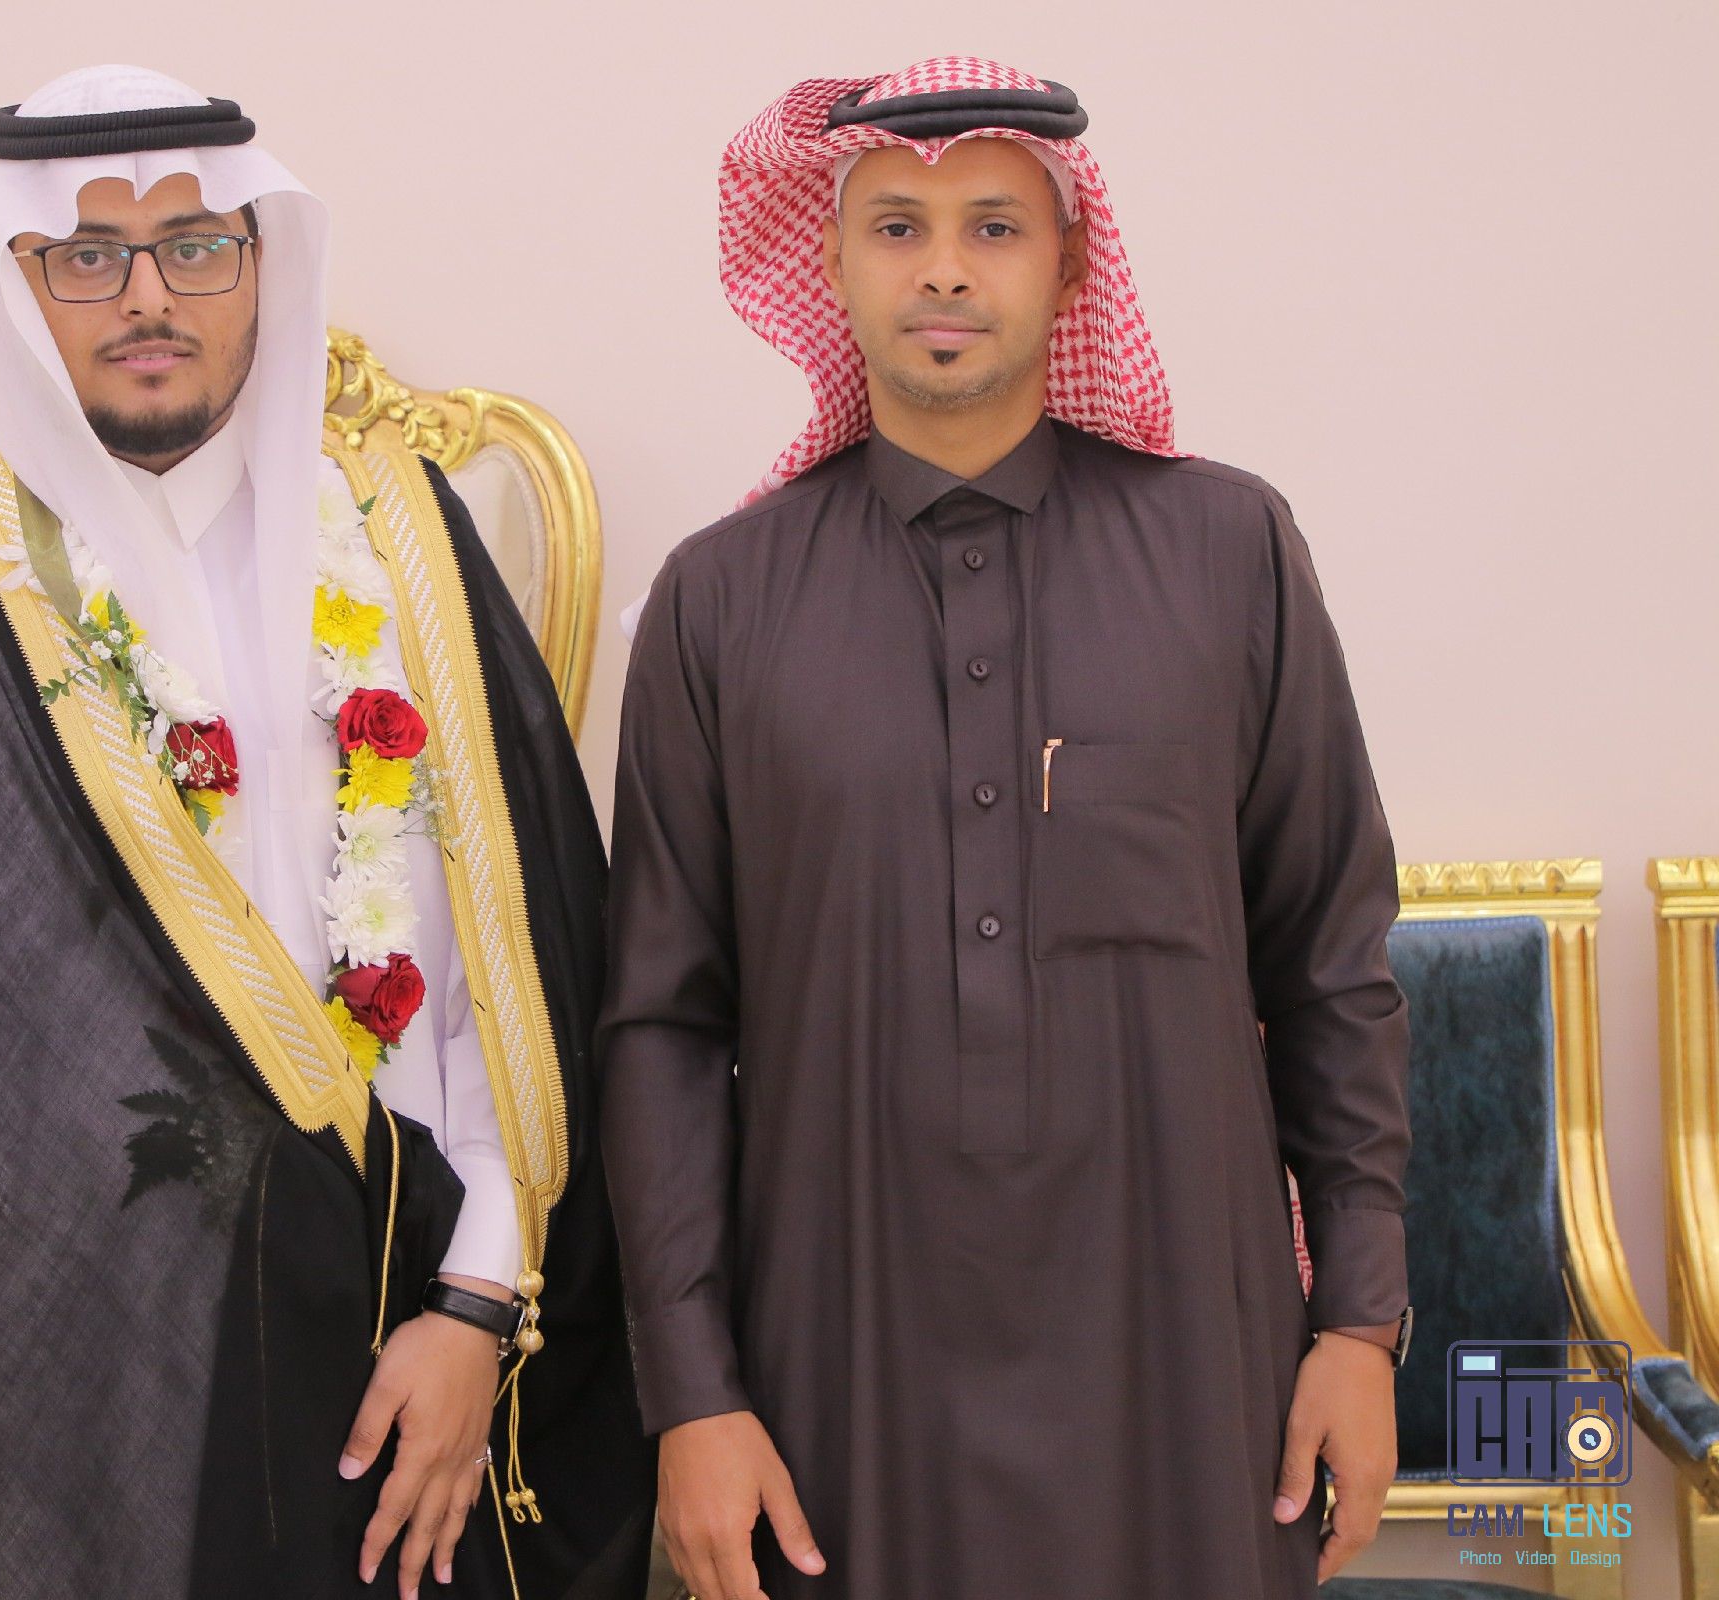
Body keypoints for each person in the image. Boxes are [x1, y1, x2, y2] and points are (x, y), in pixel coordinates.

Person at [0, 64, 650, 1600]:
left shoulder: (404, 546)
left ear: (261, 261)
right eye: (88, 256)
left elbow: (535, 978)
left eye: (194, 245)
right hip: (32, 1373)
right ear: (17, 279)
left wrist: (478, 1306)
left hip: (401, 1337)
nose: (148, 297)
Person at [598, 56, 1411, 1600]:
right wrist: (693, 1395)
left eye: (994, 226)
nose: (945, 271)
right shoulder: (719, 601)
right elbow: (662, 1029)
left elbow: (1331, 964)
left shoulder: (1228, 551)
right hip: (843, 1369)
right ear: (830, 262)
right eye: (897, 228)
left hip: (1190, 1361)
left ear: (1071, 261)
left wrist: (1361, 1327)